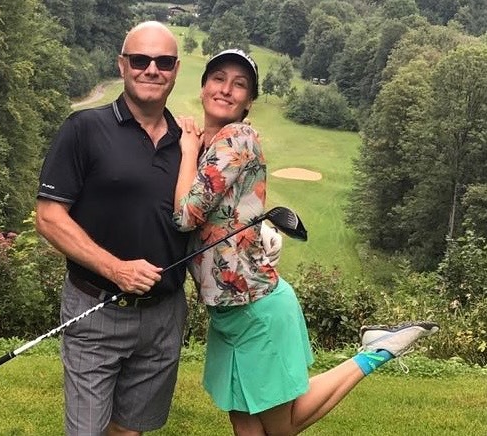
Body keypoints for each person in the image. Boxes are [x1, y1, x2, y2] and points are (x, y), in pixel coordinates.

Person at [172, 49, 439, 436]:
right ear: (203, 87)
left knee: (282, 426)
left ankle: (376, 351)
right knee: (243, 420)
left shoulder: (237, 136)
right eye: (218, 78)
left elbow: (185, 217)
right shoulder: (209, 145)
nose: (226, 89)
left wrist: (185, 150)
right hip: (227, 311)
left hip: (255, 308)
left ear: (249, 102)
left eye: (239, 84)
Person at [35, 23, 282, 435]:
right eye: (140, 60)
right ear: (122, 65)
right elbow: (48, 217)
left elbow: (217, 208)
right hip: (96, 310)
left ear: (176, 70)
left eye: (163, 62)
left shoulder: (192, 144)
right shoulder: (84, 129)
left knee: (129, 430)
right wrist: (115, 269)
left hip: (164, 317)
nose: (151, 69)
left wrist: (261, 234)